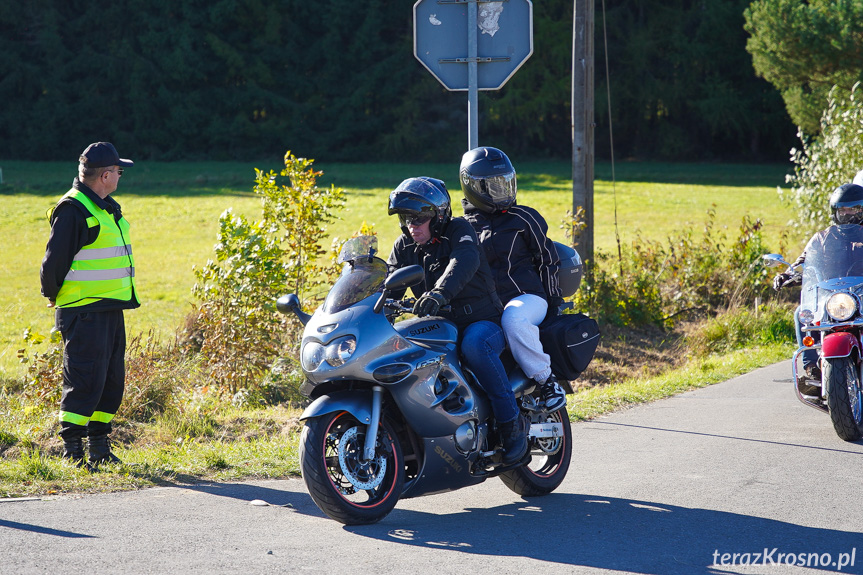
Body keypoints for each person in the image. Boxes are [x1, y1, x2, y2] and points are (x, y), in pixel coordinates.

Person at [386, 176, 529, 465]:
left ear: (438, 215)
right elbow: (388, 282)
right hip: (440, 326)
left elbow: (464, 261)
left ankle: (511, 425)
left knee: (475, 345)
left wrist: (439, 293)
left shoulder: (459, 230)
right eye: (406, 218)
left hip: (483, 322)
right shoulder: (405, 245)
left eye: (419, 217)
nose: (412, 225)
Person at [40, 142, 139, 469]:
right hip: (83, 310)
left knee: (109, 380)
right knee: (84, 379)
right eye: (119, 171)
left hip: (109, 308)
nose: (121, 176)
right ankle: (72, 452)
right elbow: (52, 266)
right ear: (106, 175)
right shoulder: (74, 209)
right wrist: (54, 297)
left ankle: (99, 447)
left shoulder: (104, 206)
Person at [459, 146, 567, 411]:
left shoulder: (524, 218)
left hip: (527, 299)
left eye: (506, 183)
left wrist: (553, 302)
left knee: (513, 318)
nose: (503, 191)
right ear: (473, 187)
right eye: (493, 186)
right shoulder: (463, 227)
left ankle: (547, 381)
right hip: (488, 308)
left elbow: (548, 260)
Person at [773, 182, 863, 384]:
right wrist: (788, 274)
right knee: (802, 313)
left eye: (853, 209)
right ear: (835, 211)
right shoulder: (822, 238)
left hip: (861, 292)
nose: (848, 214)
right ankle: (811, 366)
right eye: (843, 209)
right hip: (832, 297)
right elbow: (803, 261)